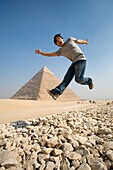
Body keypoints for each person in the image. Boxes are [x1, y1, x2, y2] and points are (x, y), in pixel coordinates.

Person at [35, 34, 94, 100]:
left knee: (78, 79)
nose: (59, 40)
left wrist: (85, 42)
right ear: (56, 44)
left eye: (59, 38)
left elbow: (78, 41)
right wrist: (41, 53)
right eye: (57, 40)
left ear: (62, 39)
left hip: (81, 60)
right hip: (74, 63)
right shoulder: (60, 51)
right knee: (66, 79)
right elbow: (50, 54)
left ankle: (89, 81)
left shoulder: (70, 39)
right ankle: (56, 92)